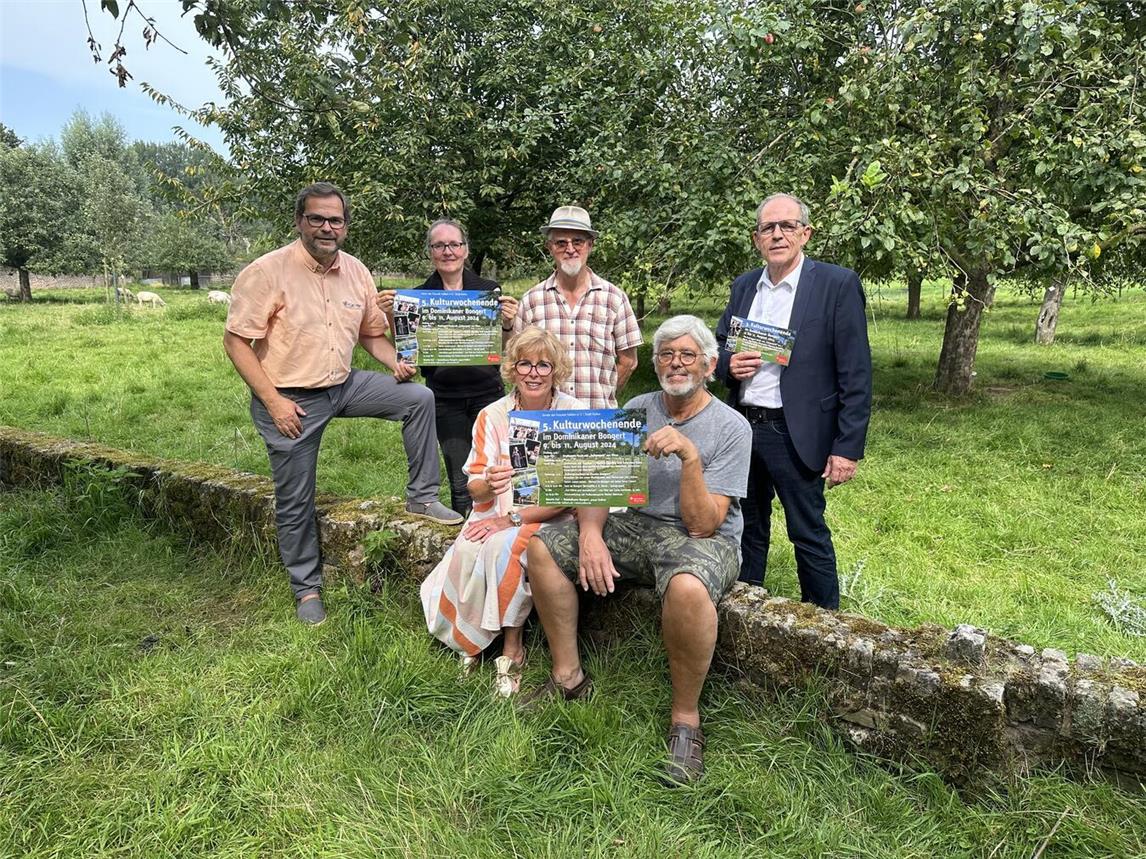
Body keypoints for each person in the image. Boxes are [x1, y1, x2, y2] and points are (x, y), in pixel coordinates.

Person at [522, 315, 751, 784]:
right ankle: (568, 677)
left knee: (688, 587)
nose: (676, 363)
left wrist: (690, 457)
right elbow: (602, 482)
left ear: (709, 365)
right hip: (634, 526)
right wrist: (589, 536)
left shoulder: (732, 427)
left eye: (688, 355)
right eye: (667, 354)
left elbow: (704, 525)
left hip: (699, 538)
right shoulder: (638, 406)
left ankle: (685, 721)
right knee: (544, 546)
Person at [224, 182, 463, 626]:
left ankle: (423, 498)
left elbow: (372, 333)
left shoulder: (356, 271)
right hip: (289, 396)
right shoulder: (267, 271)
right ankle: (306, 589)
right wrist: (273, 401)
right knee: (295, 497)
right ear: (300, 222)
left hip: (342, 384)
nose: (326, 227)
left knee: (418, 397)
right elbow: (236, 342)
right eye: (317, 218)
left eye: (335, 220)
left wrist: (396, 363)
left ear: (346, 227)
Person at [714, 193, 872, 610]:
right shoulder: (744, 286)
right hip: (743, 426)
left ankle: (824, 623)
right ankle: (746, 611)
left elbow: (855, 371)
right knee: (746, 525)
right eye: (768, 227)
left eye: (787, 226)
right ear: (756, 238)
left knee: (807, 530)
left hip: (796, 430)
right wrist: (729, 364)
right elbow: (718, 346)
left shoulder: (836, 285)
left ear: (805, 233)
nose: (777, 234)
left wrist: (846, 447)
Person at [421, 327, 586, 696]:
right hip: (495, 508)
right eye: (525, 364)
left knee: (501, 548)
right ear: (513, 368)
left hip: (551, 517)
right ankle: (472, 641)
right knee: (466, 547)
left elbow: (575, 491)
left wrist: (509, 519)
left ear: (556, 370)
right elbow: (472, 486)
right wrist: (490, 482)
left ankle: (512, 648)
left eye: (544, 365)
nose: (533, 373)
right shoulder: (492, 415)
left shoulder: (574, 413)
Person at [377, 219, 519, 517]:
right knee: (460, 478)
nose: (447, 251)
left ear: (466, 250)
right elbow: (408, 352)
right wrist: (393, 316)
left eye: (454, 244)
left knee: (497, 471)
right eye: (439, 245)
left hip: (488, 395)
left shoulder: (487, 290)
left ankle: (500, 527)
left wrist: (507, 323)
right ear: (430, 252)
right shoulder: (418, 295)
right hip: (445, 399)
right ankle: (464, 539)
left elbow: (504, 347)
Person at [509, 205, 642, 408]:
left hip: (596, 419)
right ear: (550, 247)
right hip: (545, 419)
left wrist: (604, 394)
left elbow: (629, 361)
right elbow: (515, 361)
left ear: (590, 245)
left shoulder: (614, 298)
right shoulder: (532, 301)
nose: (570, 249)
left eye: (577, 242)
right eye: (561, 243)